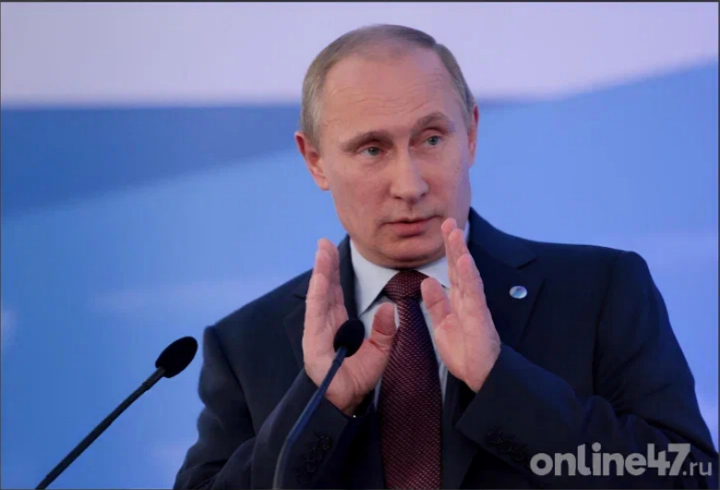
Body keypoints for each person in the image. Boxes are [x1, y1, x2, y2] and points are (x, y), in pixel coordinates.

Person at [174, 24, 717, 489]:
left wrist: (503, 382)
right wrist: (320, 405)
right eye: (372, 149)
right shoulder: (246, 342)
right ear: (315, 160)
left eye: (431, 139)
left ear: (471, 135)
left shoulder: (599, 291)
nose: (409, 185)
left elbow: (687, 477)